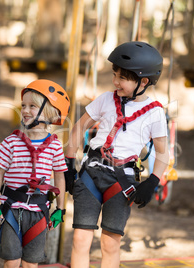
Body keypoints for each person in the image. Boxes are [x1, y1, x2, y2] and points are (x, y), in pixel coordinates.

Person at [64, 41, 169, 268]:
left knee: (110, 243)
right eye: (114, 74)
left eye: (122, 77)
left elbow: (162, 152)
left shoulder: (155, 113)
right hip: (91, 172)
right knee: (81, 239)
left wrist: (152, 181)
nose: (115, 81)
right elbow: (78, 128)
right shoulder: (105, 99)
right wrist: (68, 164)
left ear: (143, 81)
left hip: (122, 180)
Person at [0, 79, 70, 268]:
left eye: (32, 106)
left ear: (49, 112)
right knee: (12, 260)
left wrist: (60, 209)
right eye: (23, 105)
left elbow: (59, 177)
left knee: (30, 263)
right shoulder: (12, 141)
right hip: (11, 208)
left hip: (38, 212)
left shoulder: (55, 146)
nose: (24, 110)